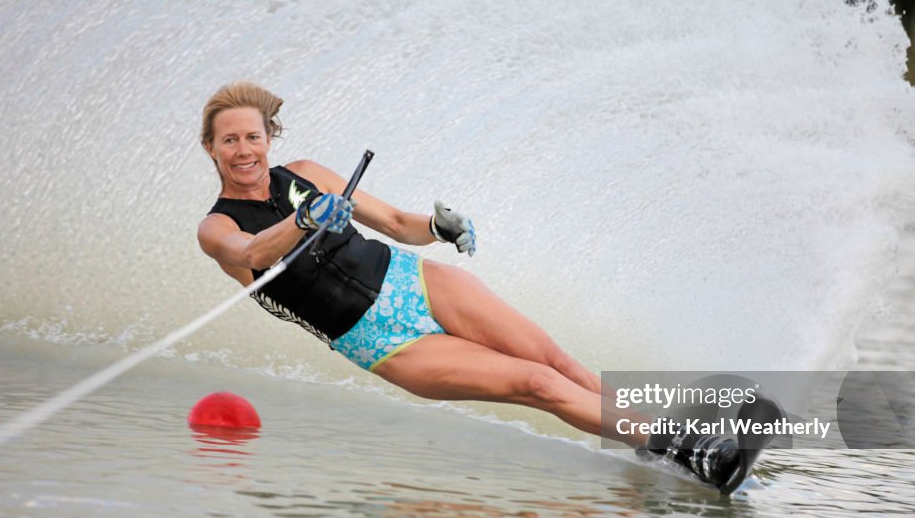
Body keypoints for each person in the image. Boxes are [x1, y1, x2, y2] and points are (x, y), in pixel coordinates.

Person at [197, 81, 743, 490]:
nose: (244, 150)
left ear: (269, 139)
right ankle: (689, 452)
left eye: (253, 136)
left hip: (418, 282)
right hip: (381, 340)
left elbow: (392, 222)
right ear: (211, 149)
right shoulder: (217, 227)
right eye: (230, 141)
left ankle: (662, 442)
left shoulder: (310, 172)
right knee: (538, 385)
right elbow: (250, 253)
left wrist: (437, 227)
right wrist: (306, 220)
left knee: (559, 363)